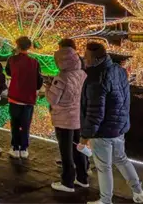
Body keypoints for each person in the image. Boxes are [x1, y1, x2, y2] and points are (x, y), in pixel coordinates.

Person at [80, 42, 143, 204]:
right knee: (121, 159)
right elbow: (124, 98)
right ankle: (138, 192)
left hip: (102, 131)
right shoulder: (119, 70)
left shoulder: (95, 78)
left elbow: (95, 113)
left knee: (104, 167)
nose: (84, 59)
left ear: (96, 59)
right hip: (119, 127)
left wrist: (85, 136)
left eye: (86, 56)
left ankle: (105, 200)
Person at [47, 39, 89, 193]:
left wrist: (48, 88)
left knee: (66, 152)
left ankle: (67, 182)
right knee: (78, 148)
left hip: (63, 119)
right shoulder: (82, 74)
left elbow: (53, 99)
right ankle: (82, 178)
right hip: (77, 117)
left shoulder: (62, 77)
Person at [4, 36, 43, 158]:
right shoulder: (35, 62)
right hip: (28, 99)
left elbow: (8, 72)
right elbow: (39, 81)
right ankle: (24, 148)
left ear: (18, 46)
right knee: (25, 125)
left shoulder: (12, 60)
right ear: (29, 47)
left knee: (15, 124)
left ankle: (15, 148)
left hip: (15, 97)